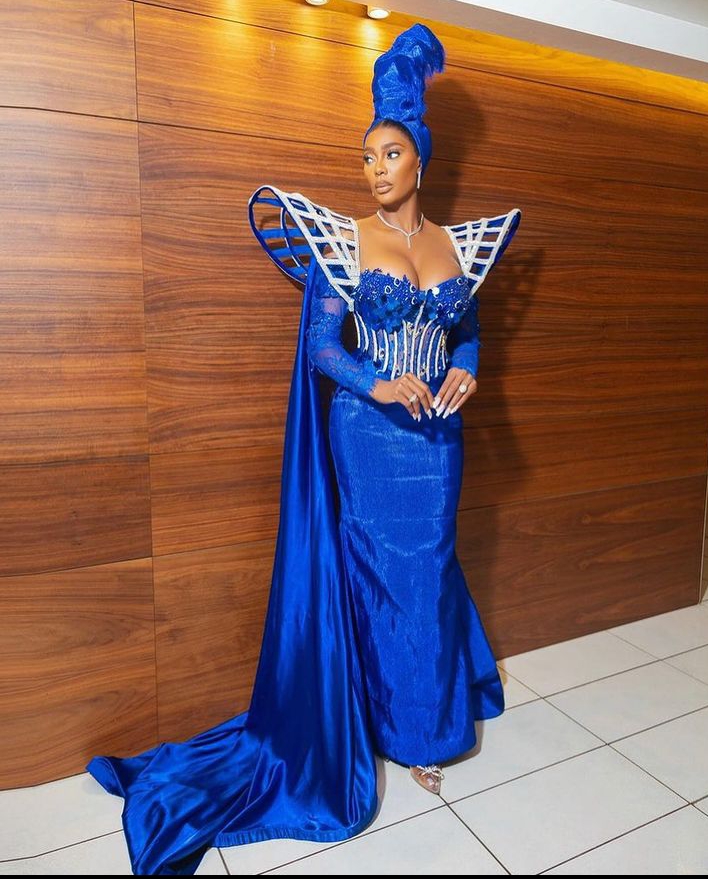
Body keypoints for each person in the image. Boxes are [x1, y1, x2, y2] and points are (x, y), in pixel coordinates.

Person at [84, 23, 521, 875]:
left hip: (438, 442)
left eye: (389, 154)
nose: (374, 169)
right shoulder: (341, 240)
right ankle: (376, 723)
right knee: (374, 577)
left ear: (420, 160)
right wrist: (377, 383)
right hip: (368, 436)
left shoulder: (451, 245)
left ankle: (425, 726)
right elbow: (322, 348)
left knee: (428, 575)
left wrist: (467, 368)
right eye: (366, 157)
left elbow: (466, 331)